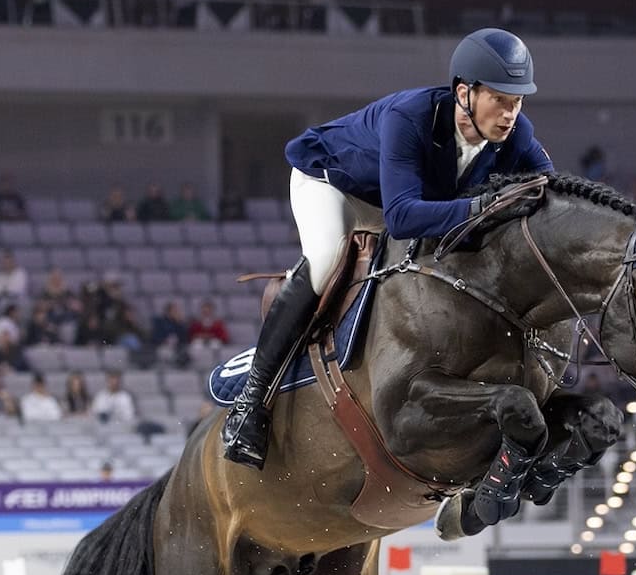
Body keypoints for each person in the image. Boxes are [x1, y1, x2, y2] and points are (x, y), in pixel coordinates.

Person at [218, 28, 555, 469]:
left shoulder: (515, 133)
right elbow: (400, 218)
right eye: (500, 99)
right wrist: (481, 207)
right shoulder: (410, 116)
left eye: (518, 101)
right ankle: (251, 402)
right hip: (336, 185)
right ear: (464, 93)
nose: (511, 113)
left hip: (409, 200)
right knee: (324, 262)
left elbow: (549, 189)